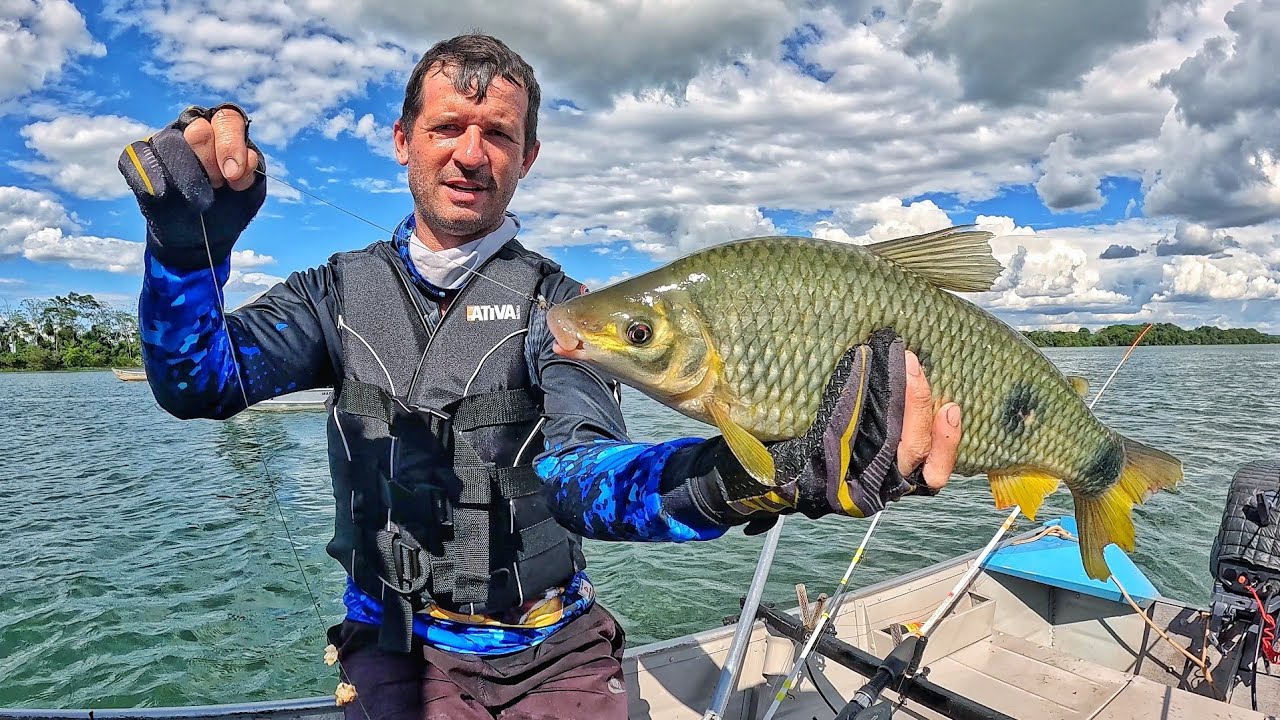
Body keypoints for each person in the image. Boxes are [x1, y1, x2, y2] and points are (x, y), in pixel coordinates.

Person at [118, 33, 963, 720]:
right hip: (394, 643)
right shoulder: (332, 292)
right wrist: (185, 253)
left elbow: (586, 478)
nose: (471, 154)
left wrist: (748, 477)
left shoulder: (566, 309)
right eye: (448, 127)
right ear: (403, 140)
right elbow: (197, 383)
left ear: (527, 157)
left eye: (498, 135)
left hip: (554, 647)